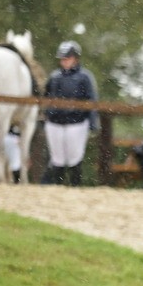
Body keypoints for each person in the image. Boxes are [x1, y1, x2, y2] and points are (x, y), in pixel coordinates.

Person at [42, 40, 97, 186]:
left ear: (75, 59)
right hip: (55, 121)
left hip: (76, 122)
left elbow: (91, 100)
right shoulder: (54, 77)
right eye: (63, 58)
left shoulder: (84, 77)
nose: (64, 61)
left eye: (68, 58)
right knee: (57, 157)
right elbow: (46, 97)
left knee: (75, 156)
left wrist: (93, 122)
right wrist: (46, 114)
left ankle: (75, 186)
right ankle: (58, 186)